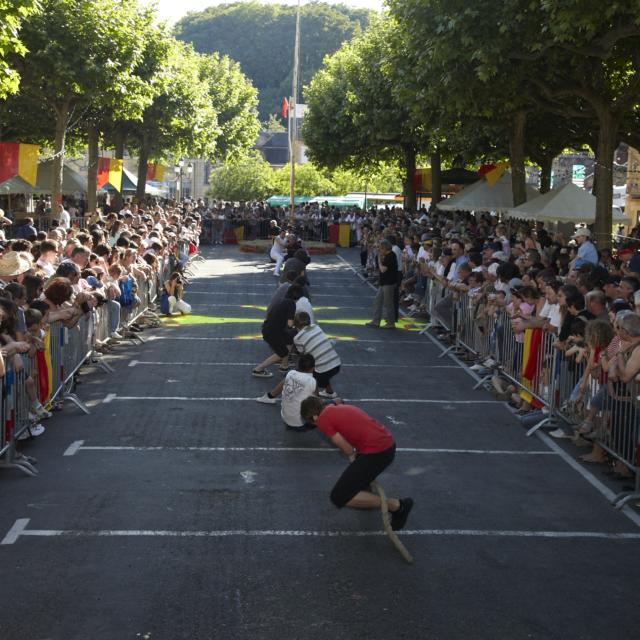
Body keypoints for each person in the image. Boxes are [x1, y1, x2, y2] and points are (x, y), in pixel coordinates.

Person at [300, 397, 413, 531]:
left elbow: (347, 449)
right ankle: (366, 492)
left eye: (313, 423)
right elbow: (339, 402)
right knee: (357, 473)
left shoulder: (322, 419)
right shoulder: (334, 407)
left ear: (314, 417)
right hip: (387, 444)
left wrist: (350, 454)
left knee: (339, 496)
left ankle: (397, 506)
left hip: (377, 452)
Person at [255, 353, 318, 431]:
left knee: (288, 384)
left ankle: (269, 396)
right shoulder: (312, 381)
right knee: (320, 406)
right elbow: (317, 403)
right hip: (300, 424)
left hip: (284, 418)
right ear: (313, 368)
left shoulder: (291, 373)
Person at [252, 284, 303, 378]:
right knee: (281, 353)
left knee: (289, 339)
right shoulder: (291, 303)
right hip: (272, 332)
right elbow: (290, 324)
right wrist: (300, 324)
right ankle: (258, 369)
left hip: (270, 328)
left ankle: (284, 366)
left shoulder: (282, 300)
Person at [293, 311, 340, 397]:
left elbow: (303, 354)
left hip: (323, 371)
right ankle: (329, 392)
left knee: (309, 368)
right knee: (321, 363)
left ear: (295, 324)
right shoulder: (316, 327)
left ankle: (316, 398)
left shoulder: (297, 338)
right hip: (336, 364)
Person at [365, 239, 397, 329]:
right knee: (377, 301)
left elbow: (382, 269)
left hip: (389, 283)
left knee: (388, 303)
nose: (379, 250)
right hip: (384, 282)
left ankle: (391, 322)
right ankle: (376, 321)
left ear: (385, 248)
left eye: (380, 248)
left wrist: (379, 260)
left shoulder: (391, 256)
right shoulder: (386, 255)